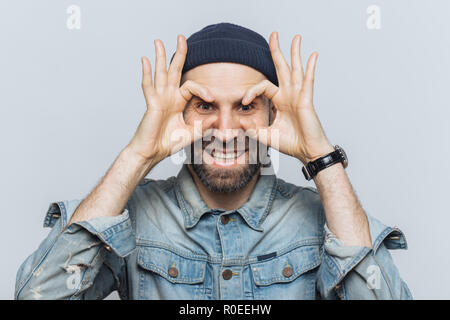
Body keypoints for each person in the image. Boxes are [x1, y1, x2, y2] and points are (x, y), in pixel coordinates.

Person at [15, 22, 412, 300]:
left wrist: (319, 155)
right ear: (178, 115)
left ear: (274, 114)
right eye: (204, 105)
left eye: (247, 106)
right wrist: (138, 154)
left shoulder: (325, 222)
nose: (225, 129)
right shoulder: (131, 216)